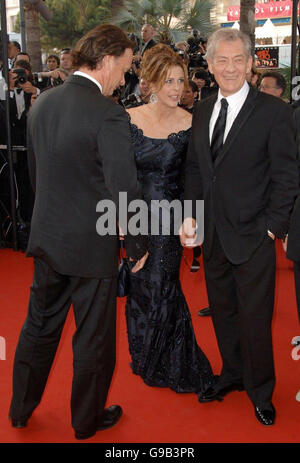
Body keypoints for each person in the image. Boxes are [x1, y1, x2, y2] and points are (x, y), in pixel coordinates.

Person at [9, 24, 148, 441]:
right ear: (106, 61)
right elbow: (124, 186)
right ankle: (86, 421)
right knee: (93, 338)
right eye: (124, 68)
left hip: (49, 237)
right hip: (92, 246)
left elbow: (36, 175)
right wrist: (137, 242)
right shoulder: (108, 112)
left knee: (39, 327)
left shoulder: (44, 103)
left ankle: (19, 409)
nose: (124, 79)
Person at [181, 28, 298, 425]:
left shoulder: (275, 112)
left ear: (251, 64)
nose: (230, 68)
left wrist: (272, 227)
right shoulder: (202, 108)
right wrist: (192, 215)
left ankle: (261, 390)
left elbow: (287, 176)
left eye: (238, 60)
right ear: (210, 65)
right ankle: (231, 373)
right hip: (212, 235)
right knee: (225, 312)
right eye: (222, 60)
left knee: (255, 319)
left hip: (253, 236)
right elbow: (197, 169)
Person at [125, 44, 215, 394]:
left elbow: (195, 178)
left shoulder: (191, 124)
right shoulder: (129, 119)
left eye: (180, 81)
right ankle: (144, 352)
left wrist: (191, 217)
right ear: (149, 83)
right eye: (169, 81)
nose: (177, 88)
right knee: (138, 285)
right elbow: (121, 174)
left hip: (169, 218)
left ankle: (169, 359)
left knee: (162, 286)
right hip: (134, 215)